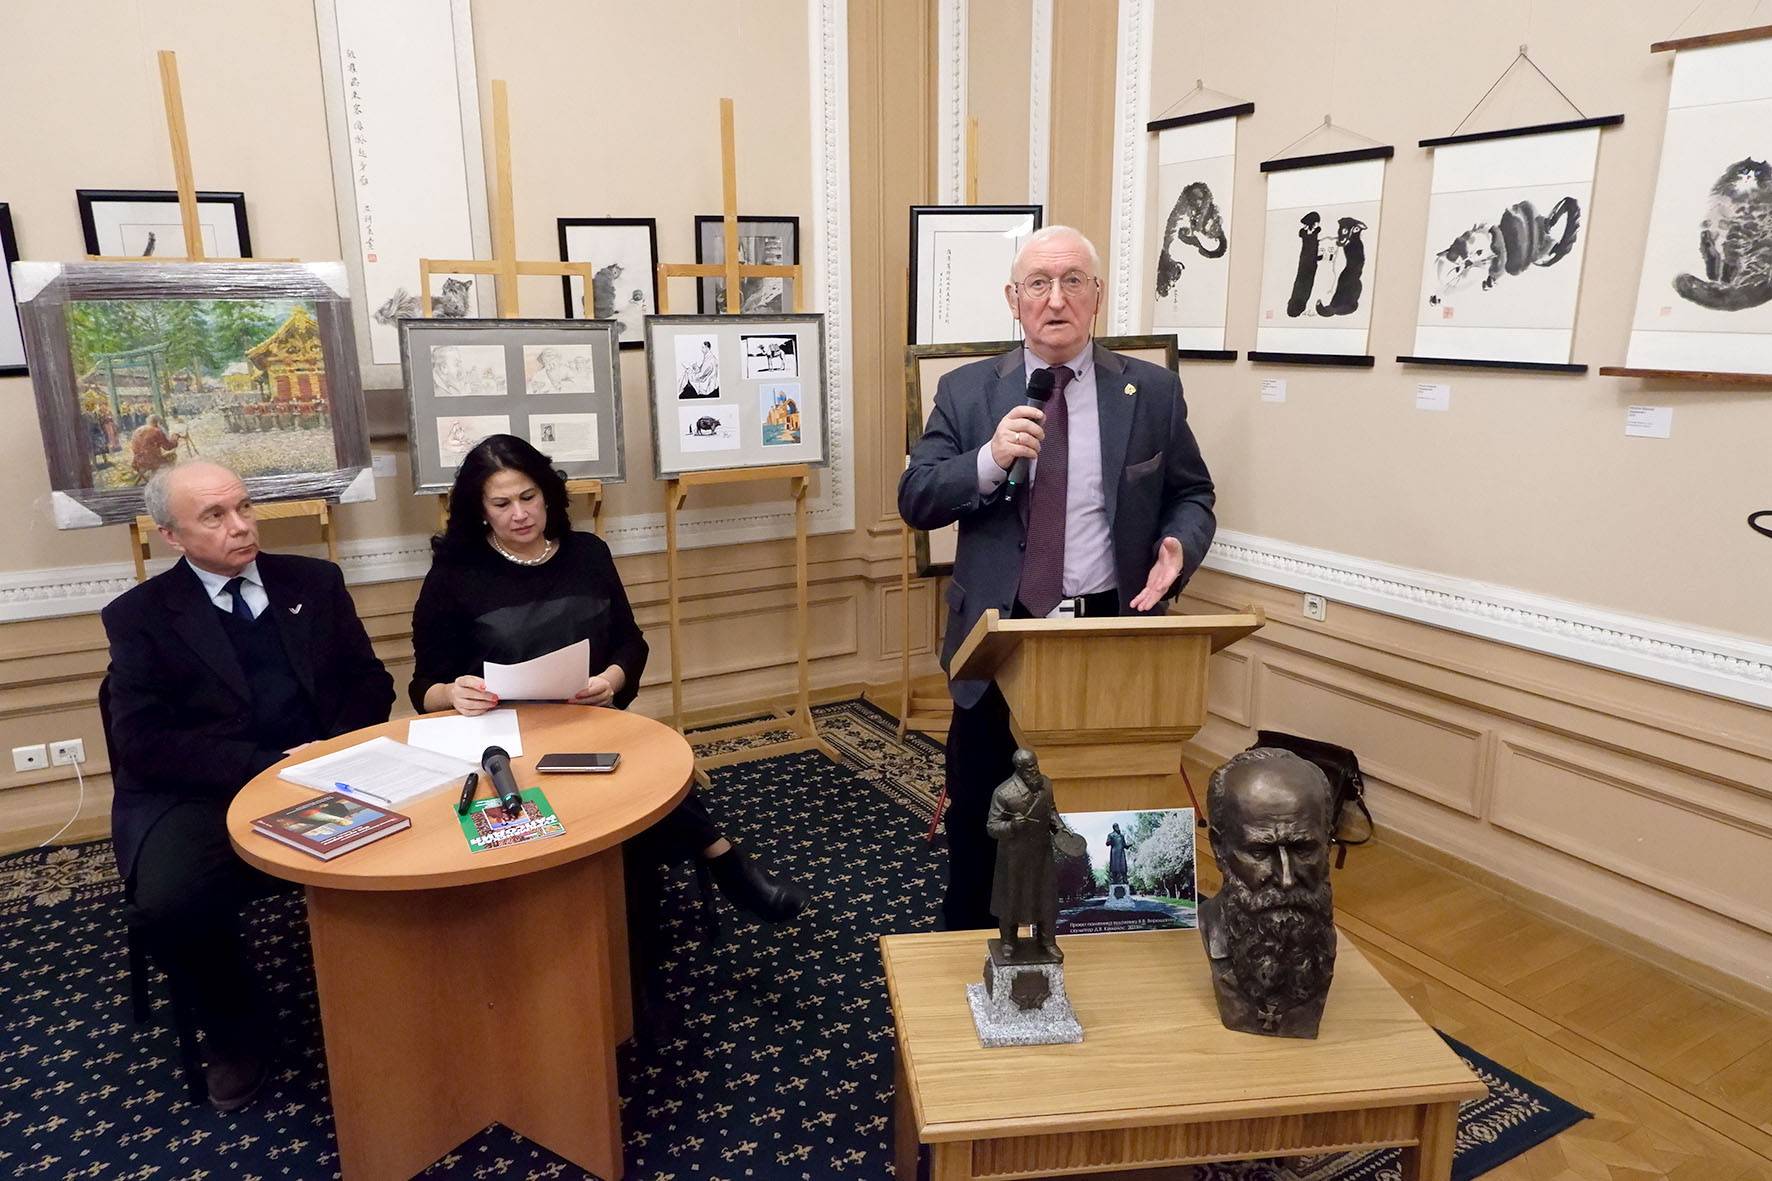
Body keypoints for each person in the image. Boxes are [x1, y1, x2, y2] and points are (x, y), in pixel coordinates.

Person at [898, 225, 1217, 931]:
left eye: (1073, 281)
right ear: (1013, 299)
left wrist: (1178, 544)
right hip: (999, 637)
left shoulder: (1151, 391)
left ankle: (1102, 944)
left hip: (1110, 631)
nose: (1055, 298)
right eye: (1038, 283)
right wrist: (988, 459)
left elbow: (1192, 493)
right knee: (982, 817)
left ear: (1096, 296)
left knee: (1103, 814)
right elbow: (917, 498)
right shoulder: (966, 391)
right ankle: (972, 942)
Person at [408, 433, 806, 923]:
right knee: (631, 789)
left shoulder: (588, 554)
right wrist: (452, 693)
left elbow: (631, 643)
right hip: (504, 742)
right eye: (502, 504)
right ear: (480, 510)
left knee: (647, 777)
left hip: (588, 720)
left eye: (529, 497)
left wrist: (612, 681)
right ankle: (722, 860)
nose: (520, 514)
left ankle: (651, 908)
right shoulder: (454, 575)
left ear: (548, 493)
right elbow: (423, 687)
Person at [102, 461, 394, 1109]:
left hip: (324, 769)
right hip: (208, 789)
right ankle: (236, 1032)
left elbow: (370, 682)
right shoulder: (139, 616)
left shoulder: (313, 581)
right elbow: (143, 744)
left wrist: (329, 751)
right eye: (214, 516)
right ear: (170, 536)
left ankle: (403, 993)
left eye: (243, 508)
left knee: (431, 837)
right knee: (171, 902)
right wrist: (263, 765)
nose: (240, 526)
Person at [1198, 749, 1336, 1037]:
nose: (1286, 879)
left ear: (1328, 844)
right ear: (1219, 848)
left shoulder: (1320, 935)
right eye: (1260, 852)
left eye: (1303, 849)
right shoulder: (1210, 927)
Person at [129, 413, 183, 479]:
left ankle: (154, 477)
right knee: (172, 456)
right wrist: (174, 438)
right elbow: (168, 447)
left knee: (157, 456)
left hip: (137, 461)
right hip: (152, 461)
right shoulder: (156, 431)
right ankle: (169, 479)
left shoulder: (137, 430)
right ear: (157, 423)